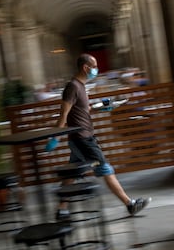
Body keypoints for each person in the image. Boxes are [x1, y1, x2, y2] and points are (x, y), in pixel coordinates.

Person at [52, 53, 151, 220]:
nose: (96, 70)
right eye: (94, 66)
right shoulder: (73, 87)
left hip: (84, 137)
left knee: (71, 175)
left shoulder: (81, 86)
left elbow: (85, 110)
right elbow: (64, 114)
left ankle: (61, 209)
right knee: (106, 168)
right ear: (86, 68)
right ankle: (130, 204)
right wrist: (54, 138)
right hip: (81, 138)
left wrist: (103, 108)